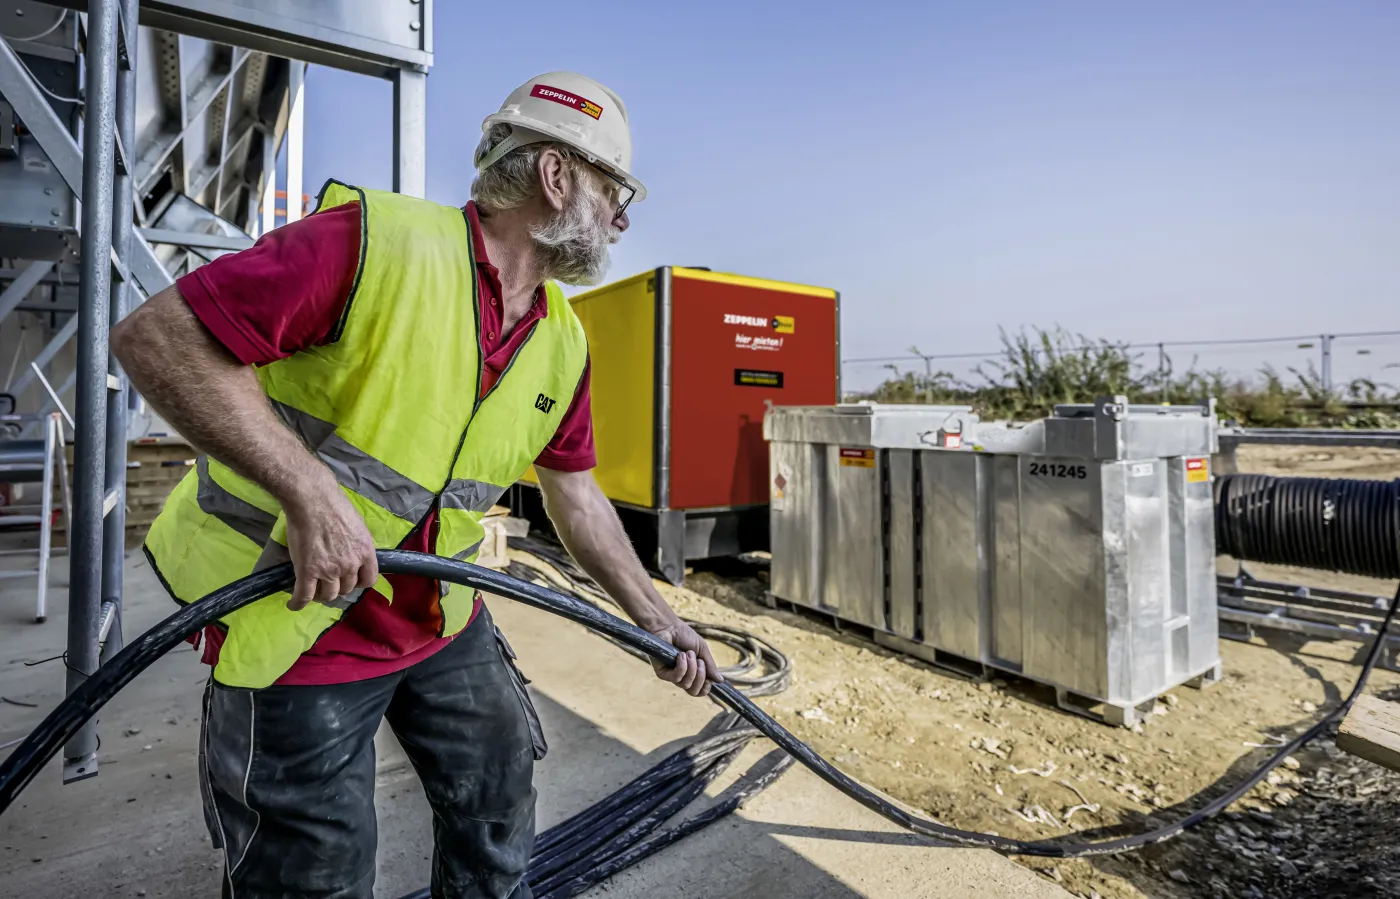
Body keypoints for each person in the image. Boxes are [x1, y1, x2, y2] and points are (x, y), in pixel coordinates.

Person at [111, 71, 722, 899]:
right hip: (296, 619)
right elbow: (159, 338)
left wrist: (657, 619)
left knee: (499, 802)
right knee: (311, 872)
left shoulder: (562, 340)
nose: (620, 218)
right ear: (555, 175)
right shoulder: (375, 244)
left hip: (441, 617)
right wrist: (309, 492)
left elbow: (576, 496)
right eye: (614, 190)